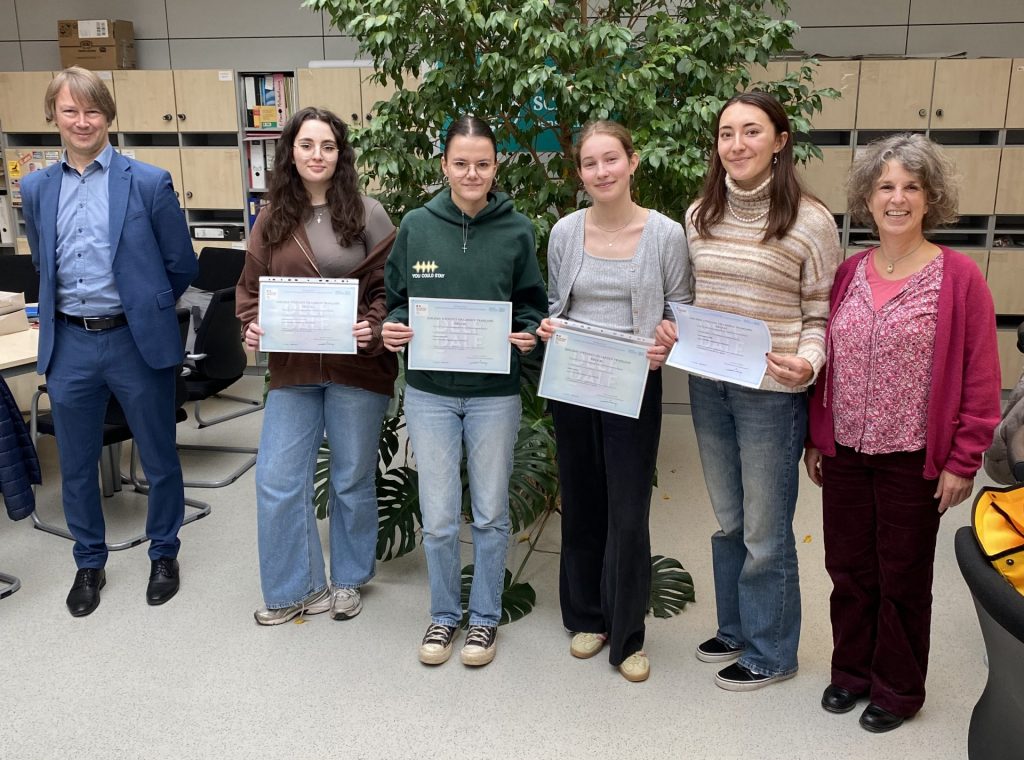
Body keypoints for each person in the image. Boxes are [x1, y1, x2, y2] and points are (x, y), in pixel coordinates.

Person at [804, 133, 1001, 732]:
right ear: (867, 198)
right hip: (845, 451)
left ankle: (897, 688)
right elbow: (828, 361)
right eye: (885, 186)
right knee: (848, 569)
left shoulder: (959, 278)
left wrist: (963, 461)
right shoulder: (848, 272)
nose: (897, 198)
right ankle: (851, 672)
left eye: (911, 187)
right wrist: (817, 436)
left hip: (912, 457)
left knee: (904, 577)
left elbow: (981, 376)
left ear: (930, 197)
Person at [657, 91, 841, 690]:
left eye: (752, 131)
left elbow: (820, 314)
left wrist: (808, 362)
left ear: (780, 141)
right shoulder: (699, 215)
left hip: (770, 394)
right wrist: (672, 327)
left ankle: (772, 651)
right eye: (726, 133)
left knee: (766, 529)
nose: (737, 144)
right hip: (710, 385)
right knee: (730, 520)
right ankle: (736, 628)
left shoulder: (810, 221)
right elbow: (690, 301)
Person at [20, 66, 198, 616]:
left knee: (159, 456)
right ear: (53, 116)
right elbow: (43, 262)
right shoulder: (36, 187)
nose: (82, 121)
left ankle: (164, 553)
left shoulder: (147, 181)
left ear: (108, 116)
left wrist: (145, 307)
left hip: (133, 340)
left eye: (92, 110)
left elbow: (181, 265)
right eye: (70, 110)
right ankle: (89, 562)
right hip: (69, 343)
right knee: (75, 464)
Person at [383, 115, 547, 667]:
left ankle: (483, 620)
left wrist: (527, 332)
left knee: (491, 512)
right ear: (444, 166)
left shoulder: (517, 230)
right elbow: (397, 299)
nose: (471, 173)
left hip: (494, 393)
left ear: (496, 167)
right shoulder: (416, 226)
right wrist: (395, 325)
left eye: (482, 163)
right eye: (461, 163)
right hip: (429, 392)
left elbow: (531, 302)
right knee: (437, 516)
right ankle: (443, 614)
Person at [535, 120, 692, 683]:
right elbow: (556, 302)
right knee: (582, 499)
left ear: (632, 161)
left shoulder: (665, 234)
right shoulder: (564, 232)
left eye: (611, 159)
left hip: (633, 382)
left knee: (628, 510)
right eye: (590, 163)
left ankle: (627, 634)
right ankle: (586, 616)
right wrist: (549, 327)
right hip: (575, 379)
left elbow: (679, 308)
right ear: (579, 172)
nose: (601, 172)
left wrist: (667, 336)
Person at [236, 107, 397, 626]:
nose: (317, 155)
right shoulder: (271, 218)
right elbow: (250, 290)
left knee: (350, 479)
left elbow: (391, 288)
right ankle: (297, 589)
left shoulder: (369, 213)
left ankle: (348, 579)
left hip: (358, 368)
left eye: (327, 146)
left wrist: (373, 325)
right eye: (306, 145)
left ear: (340, 153)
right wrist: (252, 327)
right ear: (291, 152)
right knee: (277, 479)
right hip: (294, 370)